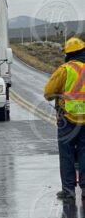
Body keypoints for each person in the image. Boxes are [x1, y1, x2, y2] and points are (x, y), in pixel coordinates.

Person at [44, 37, 85, 199]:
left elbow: (48, 93)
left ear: (68, 54)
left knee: (67, 154)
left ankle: (68, 190)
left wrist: (60, 94)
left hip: (67, 119)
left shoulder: (65, 70)